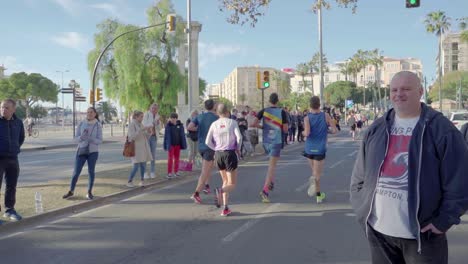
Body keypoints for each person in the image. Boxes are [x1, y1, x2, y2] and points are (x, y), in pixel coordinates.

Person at [350, 71, 468, 264]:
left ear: (420, 91)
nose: (399, 94)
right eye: (394, 89)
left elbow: (460, 180)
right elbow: (359, 176)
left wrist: (443, 221)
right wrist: (361, 208)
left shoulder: (441, 129)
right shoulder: (377, 128)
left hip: (423, 236)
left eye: (406, 89)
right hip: (379, 232)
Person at [206, 104, 242, 216]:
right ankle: (220, 191)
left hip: (218, 154)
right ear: (227, 112)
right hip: (229, 153)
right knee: (232, 184)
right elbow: (239, 137)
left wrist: (215, 148)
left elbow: (207, 141)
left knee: (225, 182)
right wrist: (238, 148)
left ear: (217, 113)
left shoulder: (214, 124)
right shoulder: (232, 122)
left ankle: (225, 208)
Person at [253, 93, 289, 203]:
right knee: (272, 167)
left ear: (269, 101)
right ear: (277, 101)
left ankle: (271, 182)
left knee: (273, 164)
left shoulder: (263, 111)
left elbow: (254, 123)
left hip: (266, 141)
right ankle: (265, 191)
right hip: (276, 142)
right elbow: (286, 130)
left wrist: (263, 127)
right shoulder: (282, 112)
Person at [63, 107, 103, 200]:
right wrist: (81, 137)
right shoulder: (81, 123)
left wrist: (91, 139)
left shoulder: (98, 125)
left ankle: (89, 192)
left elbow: (100, 140)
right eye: (88, 112)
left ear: (95, 114)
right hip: (81, 150)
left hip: (93, 152)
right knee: (76, 172)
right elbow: (74, 139)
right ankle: (71, 191)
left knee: (91, 172)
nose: (89, 114)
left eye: (91, 112)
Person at [302, 96, 337, 203]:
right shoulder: (325, 115)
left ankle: (318, 195)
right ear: (319, 105)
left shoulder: (307, 118)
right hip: (320, 148)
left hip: (309, 148)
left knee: (315, 172)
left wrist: (303, 133)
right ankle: (314, 183)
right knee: (317, 174)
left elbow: (307, 133)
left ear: (310, 105)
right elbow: (334, 130)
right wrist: (327, 131)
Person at [188, 99, 219, 203]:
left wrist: (199, 129)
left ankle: (207, 186)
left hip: (201, 146)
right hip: (210, 147)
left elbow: (189, 127)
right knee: (205, 171)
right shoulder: (216, 118)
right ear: (214, 107)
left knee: (208, 168)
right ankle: (196, 193)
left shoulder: (199, 116)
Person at [0, 99, 25, 222]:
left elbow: (21, 138)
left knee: (11, 186)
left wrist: (14, 149)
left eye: (6, 108)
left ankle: (9, 209)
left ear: (13, 109)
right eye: (2, 107)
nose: (3, 110)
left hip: (13, 158)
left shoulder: (18, 122)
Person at [126, 111, 153, 187]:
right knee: (136, 166)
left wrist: (149, 132)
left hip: (143, 148)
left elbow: (145, 137)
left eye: (142, 116)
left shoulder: (140, 124)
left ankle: (142, 181)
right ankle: (129, 181)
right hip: (136, 148)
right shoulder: (132, 125)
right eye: (141, 116)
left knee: (143, 165)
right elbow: (132, 137)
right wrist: (141, 130)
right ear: (136, 117)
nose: (142, 118)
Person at [164, 112, 187, 179]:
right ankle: (169, 173)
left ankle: (176, 171)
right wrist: (166, 145)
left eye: (175, 118)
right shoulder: (168, 126)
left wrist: (183, 143)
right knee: (170, 159)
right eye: (172, 118)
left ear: (177, 119)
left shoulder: (180, 125)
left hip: (178, 144)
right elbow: (166, 136)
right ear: (170, 118)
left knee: (177, 159)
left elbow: (182, 135)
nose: (173, 119)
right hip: (171, 145)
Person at [142, 103, 161, 179]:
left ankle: (152, 172)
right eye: (153, 108)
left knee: (153, 155)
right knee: (146, 155)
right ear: (150, 108)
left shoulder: (158, 116)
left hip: (154, 137)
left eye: (156, 108)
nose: (154, 110)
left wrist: (158, 124)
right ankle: (144, 172)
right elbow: (144, 125)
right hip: (147, 137)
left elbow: (159, 128)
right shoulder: (146, 114)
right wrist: (153, 122)